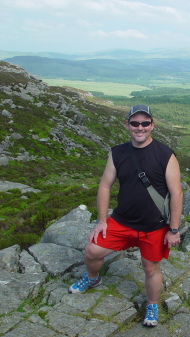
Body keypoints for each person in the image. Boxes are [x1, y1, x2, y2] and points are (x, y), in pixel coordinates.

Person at [68, 104, 183, 328]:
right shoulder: (117, 152)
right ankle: (93, 278)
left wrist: (174, 230)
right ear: (127, 125)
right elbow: (104, 185)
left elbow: (177, 193)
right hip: (121, 221)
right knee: (92, 251)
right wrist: (102, 220)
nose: (140, 128)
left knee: (151, 268)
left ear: (152, 125)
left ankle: (152, 304)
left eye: (145, 123)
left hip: (154, 226)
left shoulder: (165, 154)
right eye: (134, 123)